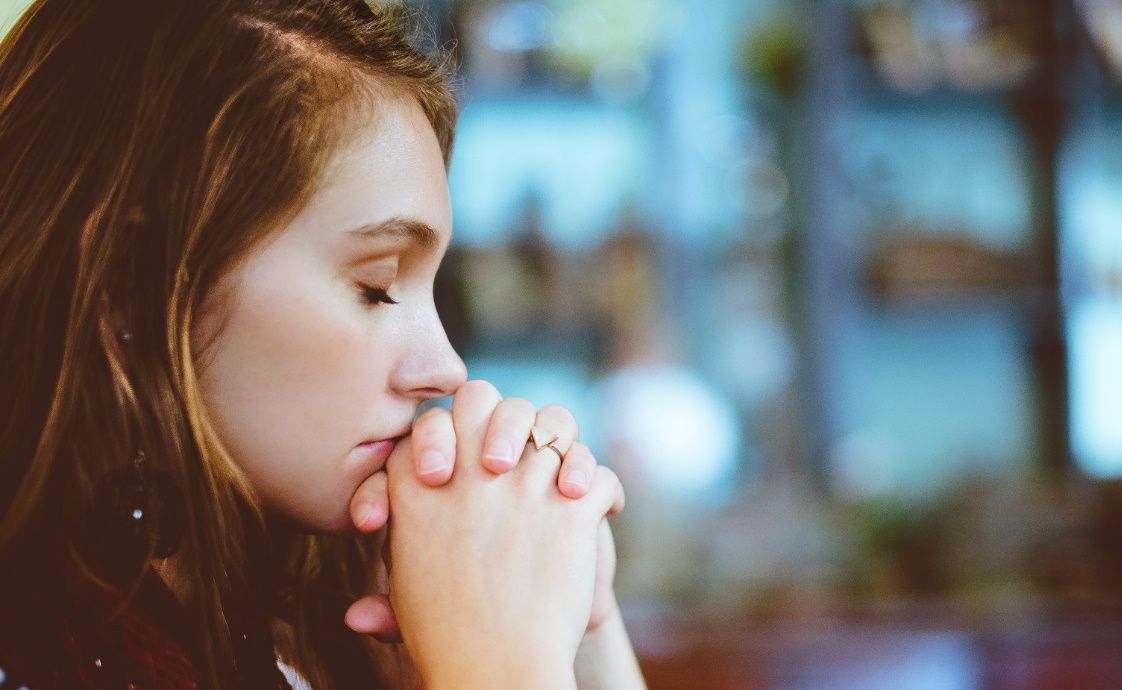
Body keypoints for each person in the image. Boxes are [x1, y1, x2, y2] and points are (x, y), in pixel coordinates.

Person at [0, 0, 644, 688]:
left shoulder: (310, 635)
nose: (446, 369)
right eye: (377, 286)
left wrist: (583, 633)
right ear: (131, 283)